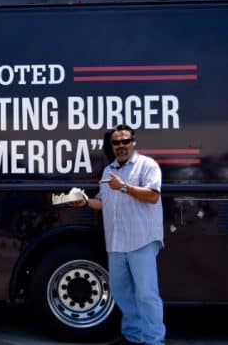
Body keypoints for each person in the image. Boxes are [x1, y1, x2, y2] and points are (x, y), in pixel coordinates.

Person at [70, 124, 166, 345]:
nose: (121, 146)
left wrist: (123, 187)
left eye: (125, 141)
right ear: (112, 146)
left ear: (134, 142)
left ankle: (154, 340)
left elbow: (152, 196)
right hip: (116, 242)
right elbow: (102, 202)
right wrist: (84, 202)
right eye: (116, 142)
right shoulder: (109, 170)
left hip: (142, 240)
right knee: (121, 292)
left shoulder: (147, 166)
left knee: (146, 295)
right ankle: (133, 337)